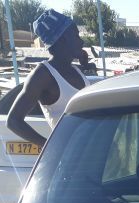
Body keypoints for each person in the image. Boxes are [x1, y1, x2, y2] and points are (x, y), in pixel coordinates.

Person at [7, 9, 92, 145]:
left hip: (94, 152)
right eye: (76, 36)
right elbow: (13, 121)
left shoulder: (74, 69)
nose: (81, 42)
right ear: (63, 39)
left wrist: (86, 66)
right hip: (71, 159)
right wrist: (49, 146)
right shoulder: (43, 75)